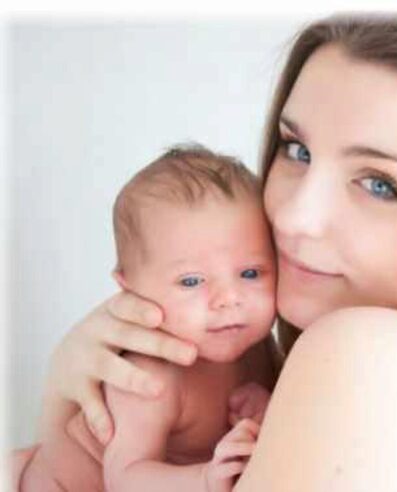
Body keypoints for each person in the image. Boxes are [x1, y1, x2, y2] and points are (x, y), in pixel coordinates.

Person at [12, 14, 397, 491]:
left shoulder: (368, 357)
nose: (292, 216)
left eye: (379, 183)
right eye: (297, 150)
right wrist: (67, 414)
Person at [17, 145, 278, 491]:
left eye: (250, 273)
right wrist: (204, 480)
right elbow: (125, 477)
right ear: (131, 290)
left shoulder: (257, 345)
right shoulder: (148, 376)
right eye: (191, 281)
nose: (229, 299)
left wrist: (267, 411)